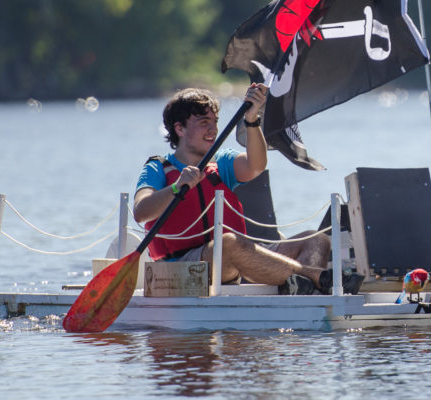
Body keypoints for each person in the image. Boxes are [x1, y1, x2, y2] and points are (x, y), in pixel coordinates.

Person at [133, 85, 361, 295]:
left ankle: (302, 290)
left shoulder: (220, 162)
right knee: (229, 243)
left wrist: (252, 120)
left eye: (215, 121)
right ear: (180, 129)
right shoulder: (158, 168)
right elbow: (141, 211)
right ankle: (316, 278)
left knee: (317, 240)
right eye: (204, 122)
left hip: (232, 260)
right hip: (184, 266)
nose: (213, 129)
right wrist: (176, 187)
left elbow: (256, 165)